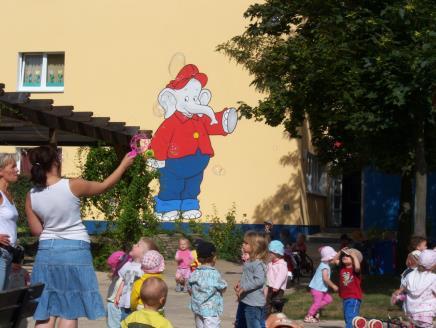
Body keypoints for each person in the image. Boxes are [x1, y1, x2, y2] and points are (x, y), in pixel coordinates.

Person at [25, 145, 134, 327]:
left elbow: (37, 230)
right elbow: (105, 185)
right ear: (55, 162)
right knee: (70, 309)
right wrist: (123, 165)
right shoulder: (74, 185)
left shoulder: (31, 194)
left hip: (47, 251)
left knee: (45, 311)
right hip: (75, 250)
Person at [188, 241, 227, 328]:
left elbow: (189, 288)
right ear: (213, 258)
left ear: (198, 259)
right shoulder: (214, 274)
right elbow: (223, 287)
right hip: (210, 312)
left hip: (197, 310)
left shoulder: (194, 273)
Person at [395, 250, 436, 328]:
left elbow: (402, 289)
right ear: (432, 265)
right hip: (425, 313)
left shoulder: (410, 275)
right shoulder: (433, 278)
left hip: (410, 311)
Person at [235, 231, 268, 328]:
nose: (243, 244)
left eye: (246, 243)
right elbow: (248, 277)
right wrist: (240, 283)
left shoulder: (258, 264)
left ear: (254, 247)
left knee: (254, 324)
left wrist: (244, 287)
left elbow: (259, 280)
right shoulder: (250, 261)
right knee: (242, 323)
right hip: (245, 300)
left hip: (253, 303)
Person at [114, 239, 149, 320]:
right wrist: (118, 295)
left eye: (138, 245)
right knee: (124, 322)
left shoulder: (144, 269)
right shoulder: (127, 265)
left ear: (144, 253)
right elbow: (124, 280)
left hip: (137, 305)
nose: (134, 244)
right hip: (124, 302)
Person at [0, 153, 19, 291]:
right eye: (13, 167)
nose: (17, 170)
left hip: (8, 253)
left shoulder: (8, 194)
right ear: (1, 171)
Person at [304, 246, 338, 323]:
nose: (335, 259)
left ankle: (314, 311)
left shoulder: (325, 264)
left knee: (328, 299)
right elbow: (325, 278)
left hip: (321, 289)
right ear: (329, 258)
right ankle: (309, 316)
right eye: (333, 257)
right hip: (317, 289)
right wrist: (333, 285)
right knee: (317, 303)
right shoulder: (324, 266)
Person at [337, 248, 363, 328]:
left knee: (350, 317)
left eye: (348, 256)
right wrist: (340, 252)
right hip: (345, 297)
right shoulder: (342, 268)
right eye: (343, 255)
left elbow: (358, 267)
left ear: (354, 260)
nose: (344, 256)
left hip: (354, 297)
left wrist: (354, 255)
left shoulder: (355, 270)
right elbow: (333, 260)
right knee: (347, 317)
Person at [265, 240, 288, 316]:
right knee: (268, 301)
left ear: (276, 253)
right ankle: (267, 315)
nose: (269, 254)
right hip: (270, 286)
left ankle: (278, 315)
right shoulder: (271, 263)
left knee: (276, 302)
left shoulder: (282, 265)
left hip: (278, 288)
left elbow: (281, 277)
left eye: (270, 252)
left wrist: (276, 286)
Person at [107, 251, 126, 328]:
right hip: (112, 303)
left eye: (113, 267)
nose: (112, 269)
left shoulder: (123, 276)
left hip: (116, 304)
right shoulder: (118, 275)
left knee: (114, 325)